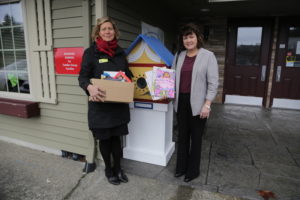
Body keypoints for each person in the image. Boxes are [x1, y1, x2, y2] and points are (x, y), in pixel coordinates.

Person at [78, 16, 132, 185]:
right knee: (105, 140)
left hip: (118, 105)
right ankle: (109, 169)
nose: (108, 31)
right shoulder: (91, 52)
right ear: (98, 33)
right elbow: (82, 77)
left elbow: (128, 74)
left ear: (115, 32)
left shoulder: (121, 52)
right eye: (104, 29)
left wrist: (128, 80)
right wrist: (90, 87)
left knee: (117, 139)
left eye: (110, 29)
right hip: (100, 105)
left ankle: (118, 168)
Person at [172, 23, 219, 182]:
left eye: (191, 36)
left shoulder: (208, 56)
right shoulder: (178, 56)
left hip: (199, 104)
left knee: (196, 138)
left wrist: (207, 104)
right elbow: (171, 78)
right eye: (185, 37)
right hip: (181, 102)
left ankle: (193, 171)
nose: (188, 40)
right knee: (182, 137)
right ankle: (181, 168)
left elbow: (213, 83)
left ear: (197, 37)